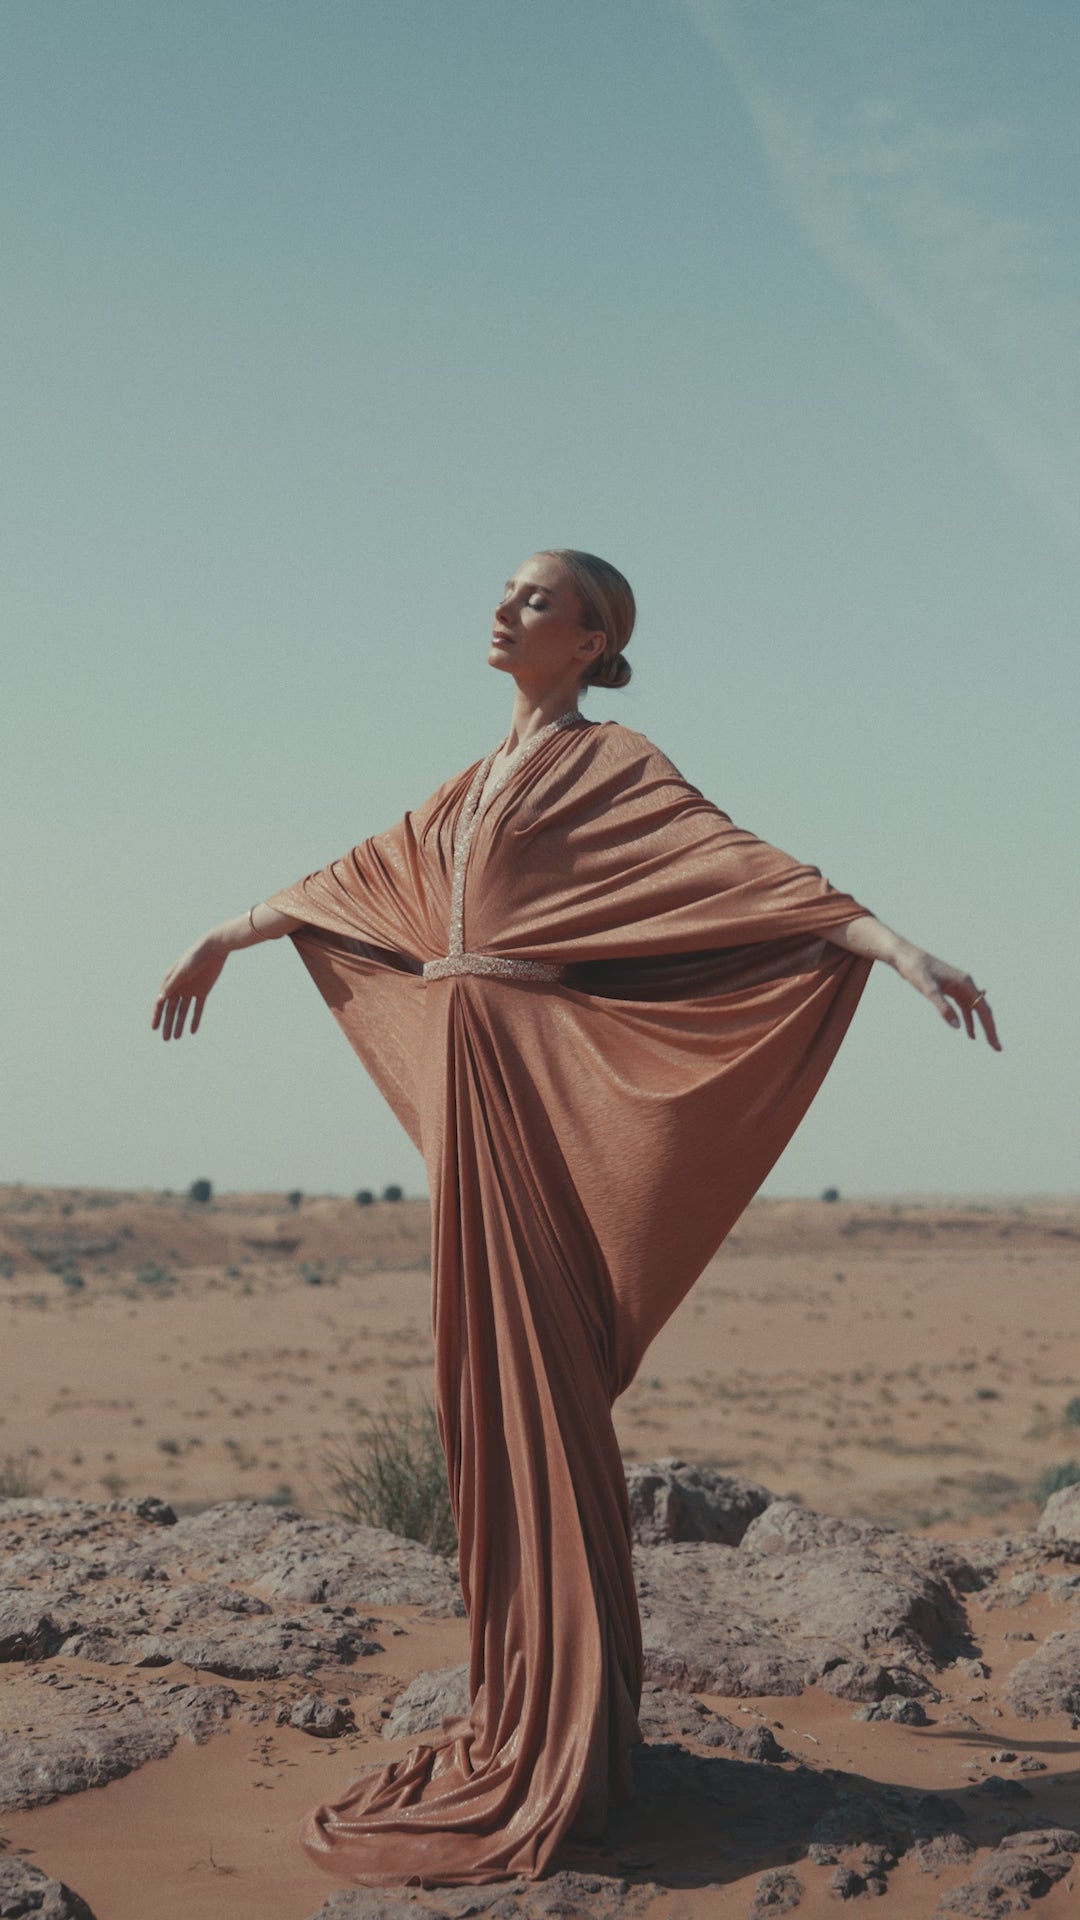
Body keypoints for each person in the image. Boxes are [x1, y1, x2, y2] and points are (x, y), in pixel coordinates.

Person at [153, 550, 1000, 1889]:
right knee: (480, 1396)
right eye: (503, 592)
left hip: (536, 1098)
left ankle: (569, 1737)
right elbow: (350, 883)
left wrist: (897, 950)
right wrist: (224, 932)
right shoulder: (465, 782)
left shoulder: (615, 765)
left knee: (543, 1387)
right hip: (465, 1089)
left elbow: (751, 875)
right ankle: (524, 1705)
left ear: (597, 635)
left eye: (537, 598)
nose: (503, 609)